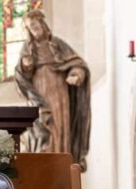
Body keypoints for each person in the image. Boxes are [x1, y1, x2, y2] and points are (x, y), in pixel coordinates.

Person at [12, 9, 91, 169]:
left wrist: (76, 75)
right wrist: (26, 66)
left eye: (36, 25)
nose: (34, 29)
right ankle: (44, 168)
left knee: (60, 127)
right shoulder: (28, 48)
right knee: (41, 128)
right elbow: (21, 76)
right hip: (38, 94)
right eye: (31, 27)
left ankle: (62, 166)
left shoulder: (58, 44)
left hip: (59, 93)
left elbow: (78, 64)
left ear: (42, 24)